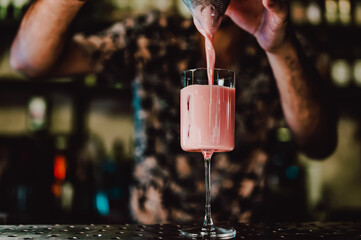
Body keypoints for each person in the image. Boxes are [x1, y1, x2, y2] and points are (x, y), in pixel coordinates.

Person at [10, 0, 337, 223]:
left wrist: (278, 47)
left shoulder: (284, 42)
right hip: (152, 232)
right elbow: (28, 62)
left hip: (244, 231)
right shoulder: (152, 36)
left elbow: (319, 143)